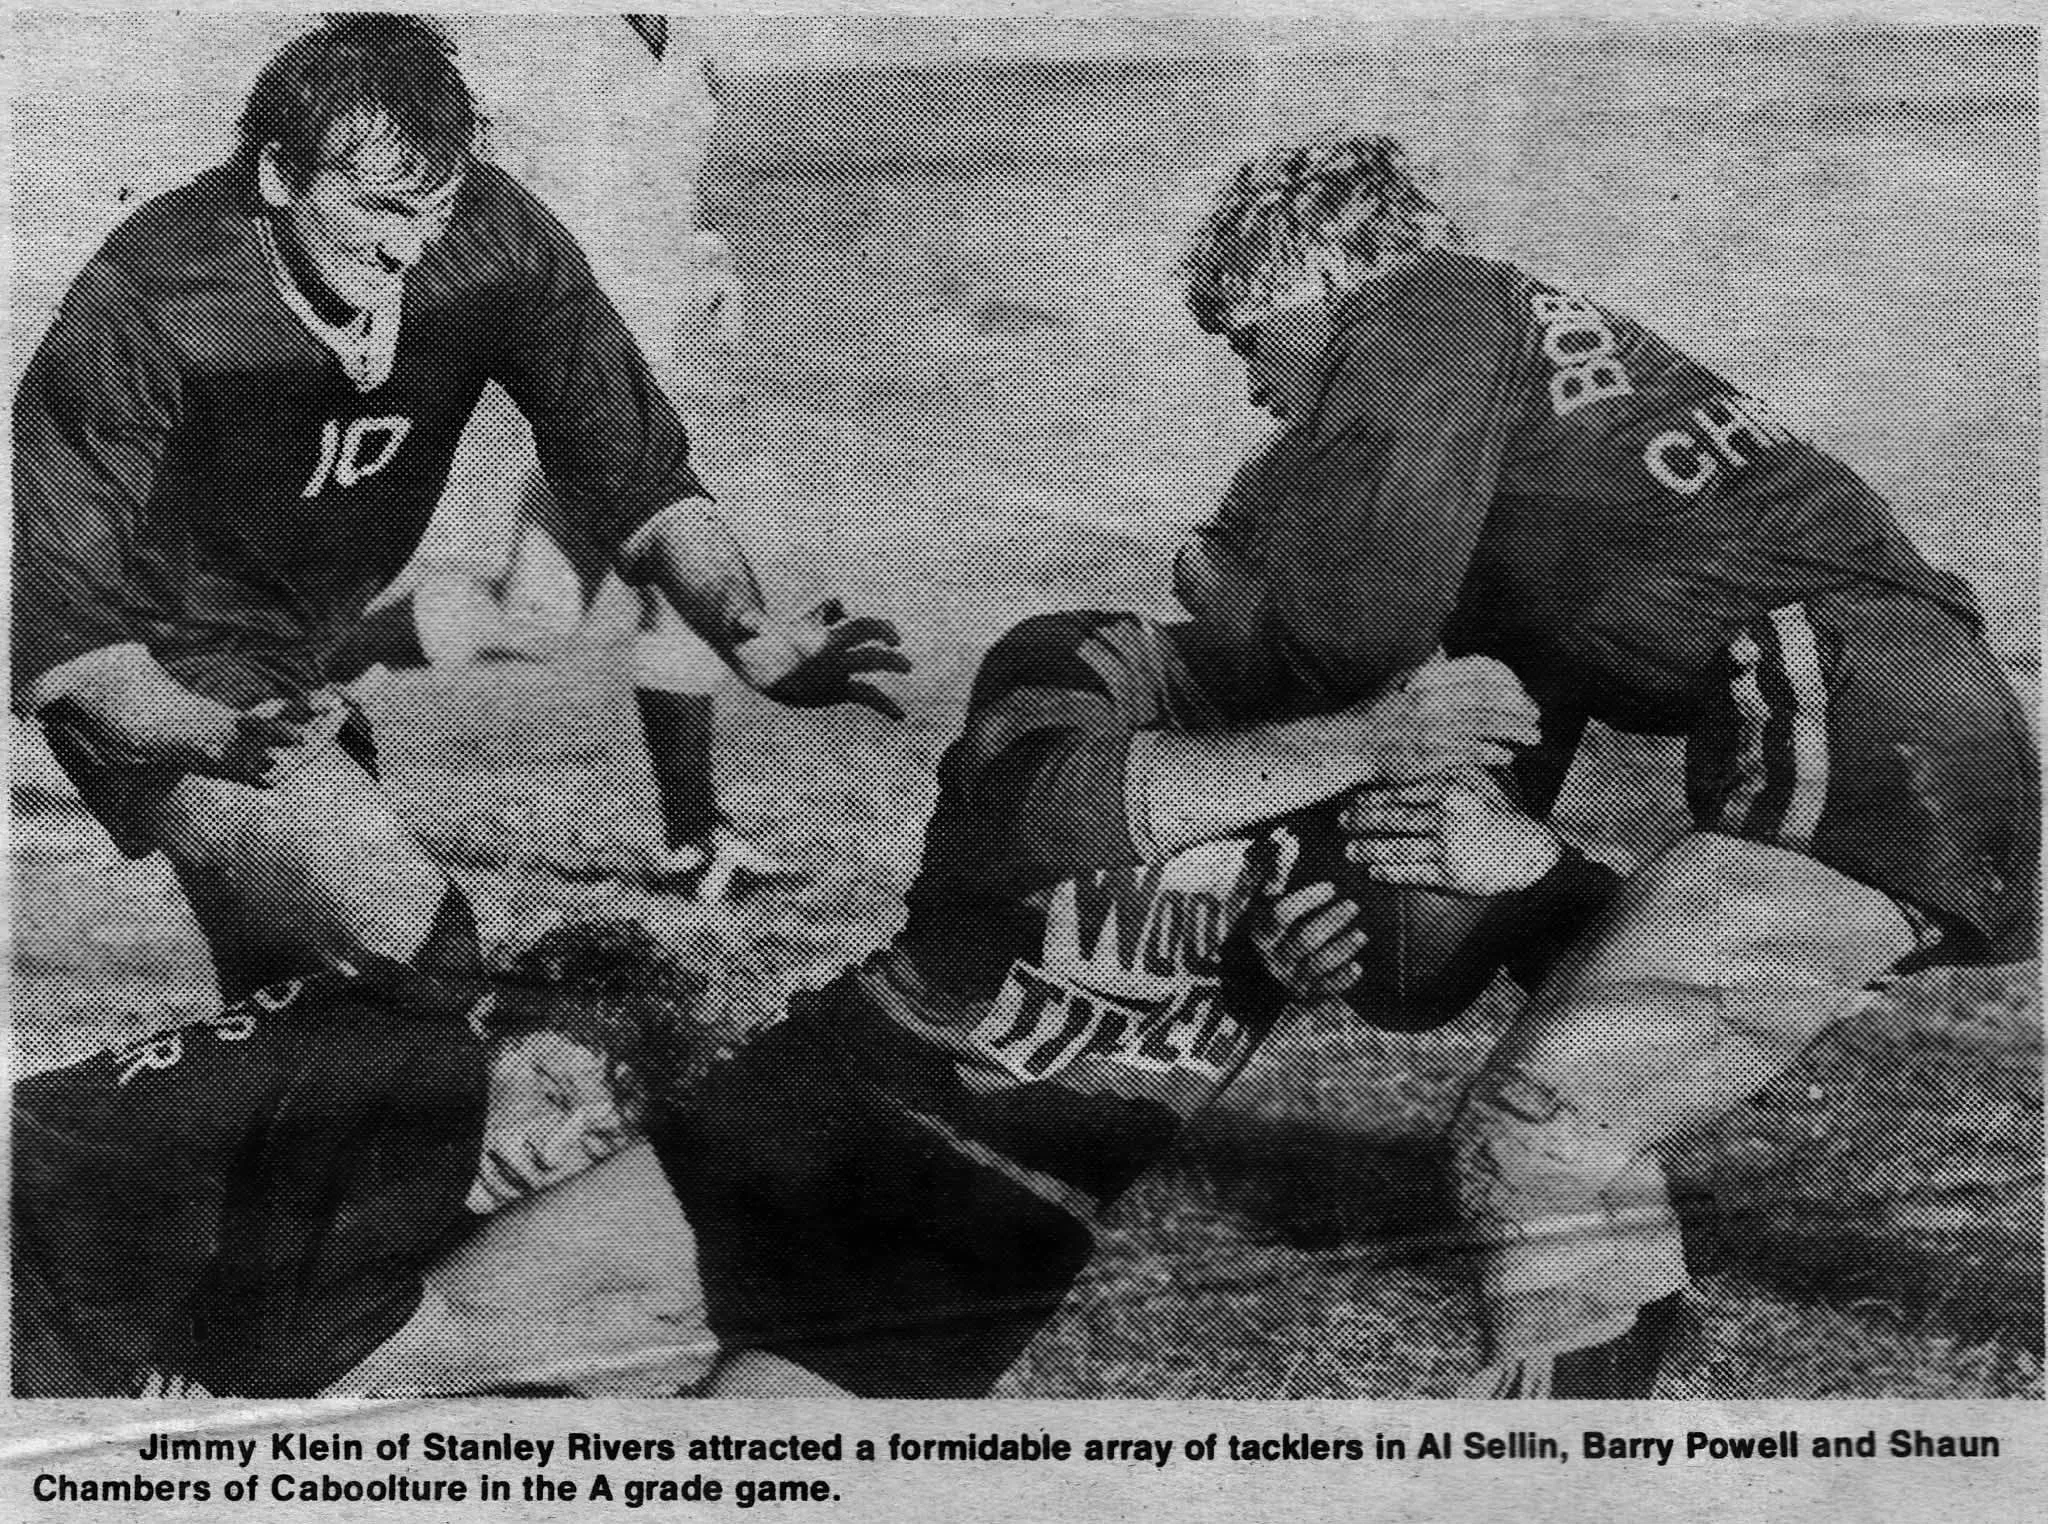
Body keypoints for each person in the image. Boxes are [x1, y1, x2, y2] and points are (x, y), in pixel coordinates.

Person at [1176, 130, 2039, 1396]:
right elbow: (1424, 953)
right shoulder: (1514, 459)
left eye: (1244, 343)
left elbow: (1348, 625)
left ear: (1305, 281)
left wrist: (1224, 585)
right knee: (1574, 1152)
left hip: (1850, 701)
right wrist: (1388, 886)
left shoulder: (1425, 301)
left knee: (1540, 1136)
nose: (1250, 390)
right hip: (1874, 705)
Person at [9, 16, 907, 1002]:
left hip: (289, 656)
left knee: (298, 1012)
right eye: (380, 210)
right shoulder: (145, 302)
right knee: (417, 957)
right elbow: (75, 639)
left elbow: (638, 480)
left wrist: (749, 636)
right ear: (276, 171)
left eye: (429, 213)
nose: (405, 249)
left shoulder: (491, 234)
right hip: (161, 669)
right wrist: (219, 738)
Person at [647, 545, 1618, 1398]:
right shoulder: (1082, 657)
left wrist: (1532, 871)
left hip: (1004, 1201)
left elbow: (1694, 1000)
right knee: (496, 1326)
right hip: (827, 1086)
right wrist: (1358, 747)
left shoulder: (1386, 774)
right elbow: (1039, 805)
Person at [331, 15, 793, 900]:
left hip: (666, 357)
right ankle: (696, 841)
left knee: (537, 614)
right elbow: (459, 185)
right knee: (666, 602)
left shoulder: (685, 41)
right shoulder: (543, 40)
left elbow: (679, 186)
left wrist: (711, 252)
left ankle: (300, 663)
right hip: (592, 374)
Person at [12, 920, 716, 1399]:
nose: (548, 1152)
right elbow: (294, 1353)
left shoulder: (386, 1019)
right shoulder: (432, 1065)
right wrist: (583, 1347)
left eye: (595, 1144)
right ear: (492, 1022)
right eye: (553, 1092)